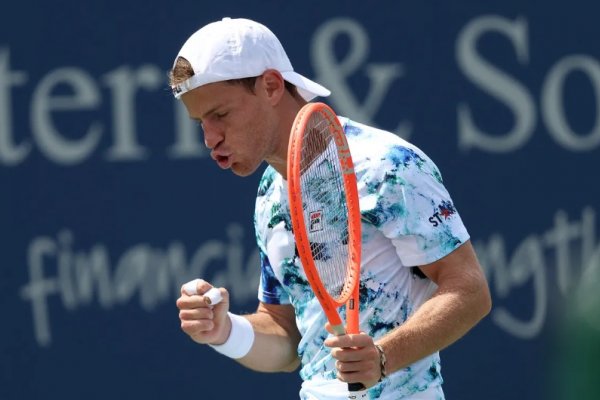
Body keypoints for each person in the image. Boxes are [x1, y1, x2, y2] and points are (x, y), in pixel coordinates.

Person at [172, 17, 491, 400]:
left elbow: (469, 290)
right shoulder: (270, 193)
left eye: (220, 114)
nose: (209, 138)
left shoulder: (387, 165)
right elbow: (289, 338)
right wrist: (224, 331)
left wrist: (383, 357)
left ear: (271, 85)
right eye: (200, 122)